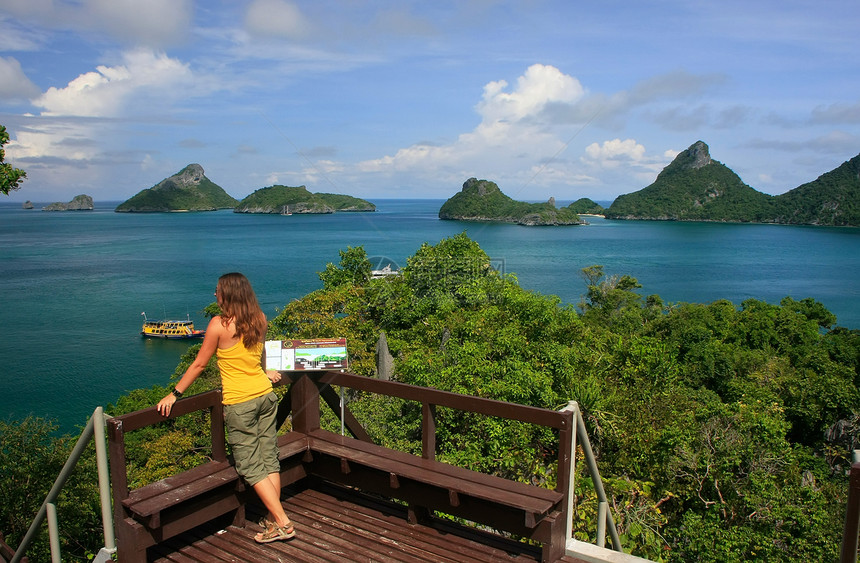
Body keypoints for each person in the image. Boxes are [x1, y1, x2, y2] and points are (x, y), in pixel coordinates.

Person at [156, 272, 295, 543]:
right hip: (265, 397)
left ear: (227, 294)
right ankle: (272, 519)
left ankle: (282, 522)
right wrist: (265, 369)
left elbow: (199, 364)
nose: (214, 295)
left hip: (241, 402)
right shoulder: (259, 318)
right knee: (268, 459)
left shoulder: (219, 325)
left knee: (250, 465)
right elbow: (257, 351)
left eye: (217, 290)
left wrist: (174, 394)